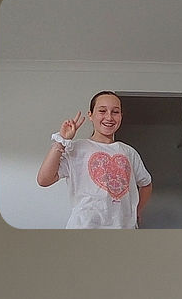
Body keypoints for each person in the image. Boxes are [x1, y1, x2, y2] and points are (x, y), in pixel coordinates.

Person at [37, 91, 152, 228]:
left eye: (115, 112)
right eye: (102, 111)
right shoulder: (76, 148)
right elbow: (44, 180)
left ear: (121, 116)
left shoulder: (129, 152)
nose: (109, 117)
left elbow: (146, 184)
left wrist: (136, 211)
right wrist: (61, 141)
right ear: (90, 115)